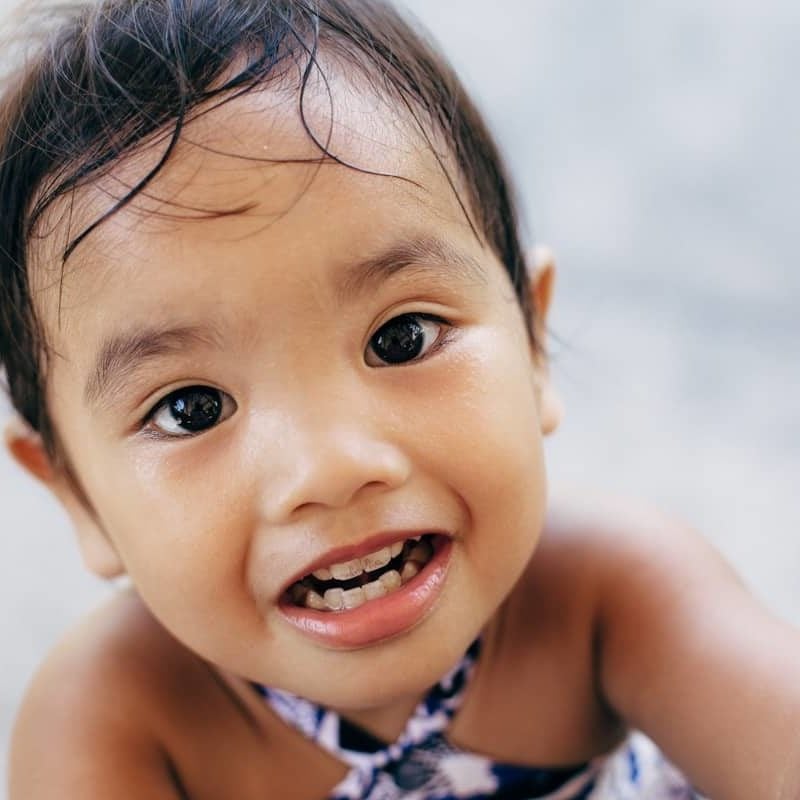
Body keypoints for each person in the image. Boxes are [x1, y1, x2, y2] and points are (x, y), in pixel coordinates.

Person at [1, 1, 798, 798]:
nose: (332, 467)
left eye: (403, 338)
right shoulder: (113, 715)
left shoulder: (609, 592)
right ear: (76, 496)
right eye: (191, 409)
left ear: (530, 343)